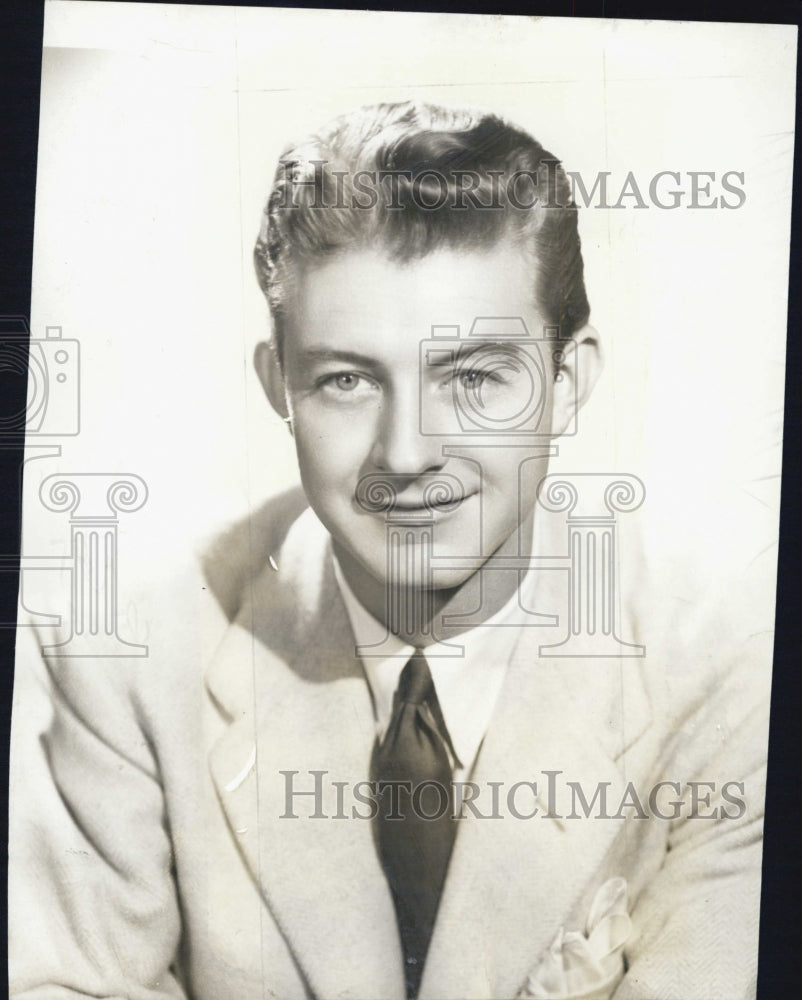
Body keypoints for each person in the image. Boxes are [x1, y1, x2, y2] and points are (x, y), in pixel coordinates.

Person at [10, 101, 769, 1000]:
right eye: (346, 380)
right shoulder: (124, 658)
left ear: (568, 387)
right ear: (278, 388)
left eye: (475, 377)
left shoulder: (731, 669)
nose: (407, 453)